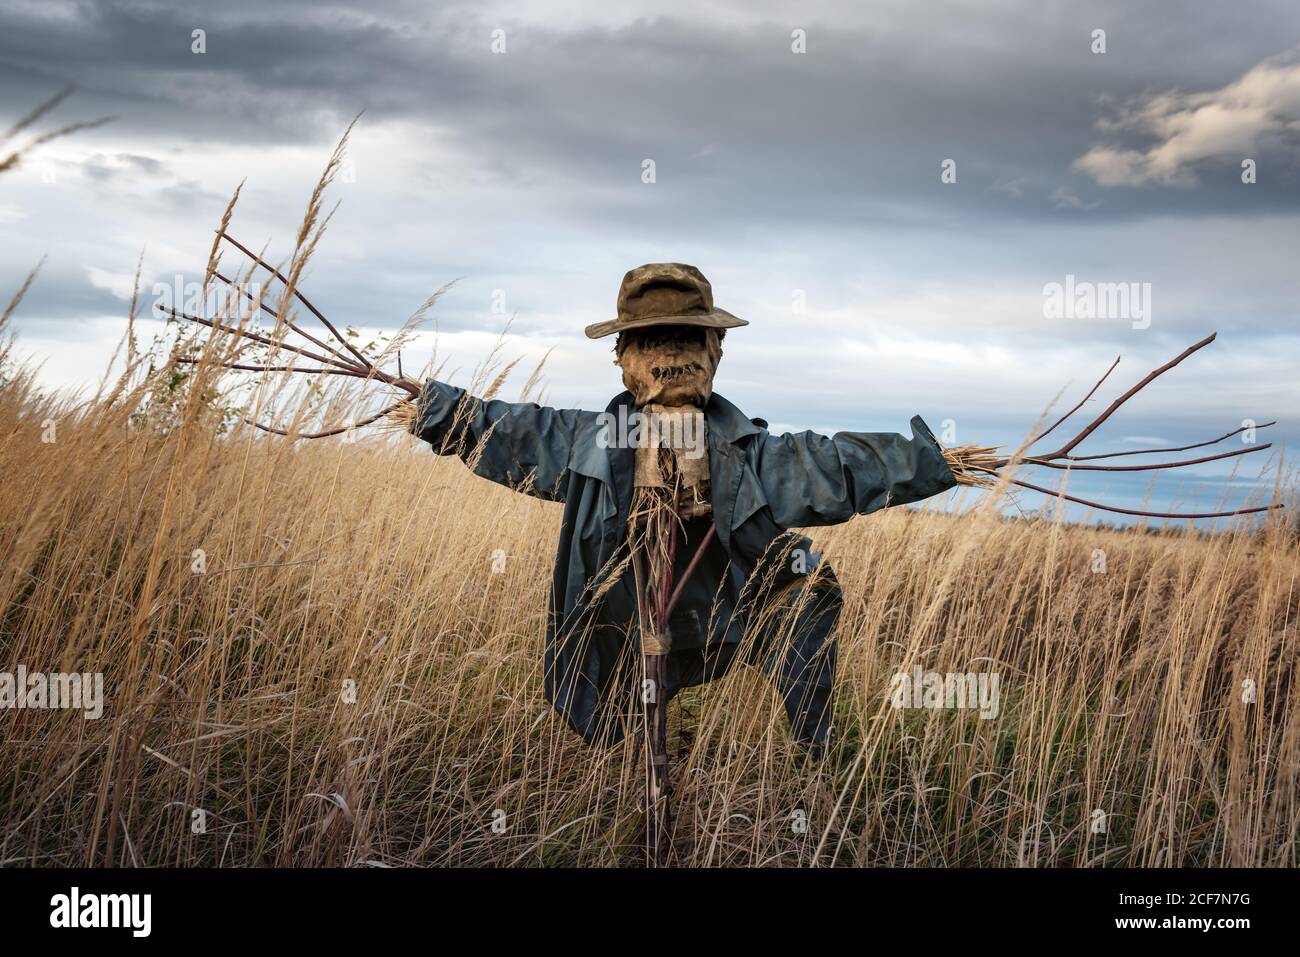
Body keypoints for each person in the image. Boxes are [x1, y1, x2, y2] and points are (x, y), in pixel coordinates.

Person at [411, 262, 957, 751]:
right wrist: (437, 410)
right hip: (626, 614)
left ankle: (808, 745)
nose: (671, 358)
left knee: (802, 597)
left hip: (721, 612)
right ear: (622, 357)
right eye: (652, 343)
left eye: (687, 341)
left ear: (715, 350)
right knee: (627, 700)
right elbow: (513, 432)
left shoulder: (749, 454)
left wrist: (929, 459)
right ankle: (644, 767)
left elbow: (831, 464)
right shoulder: (587, 443)